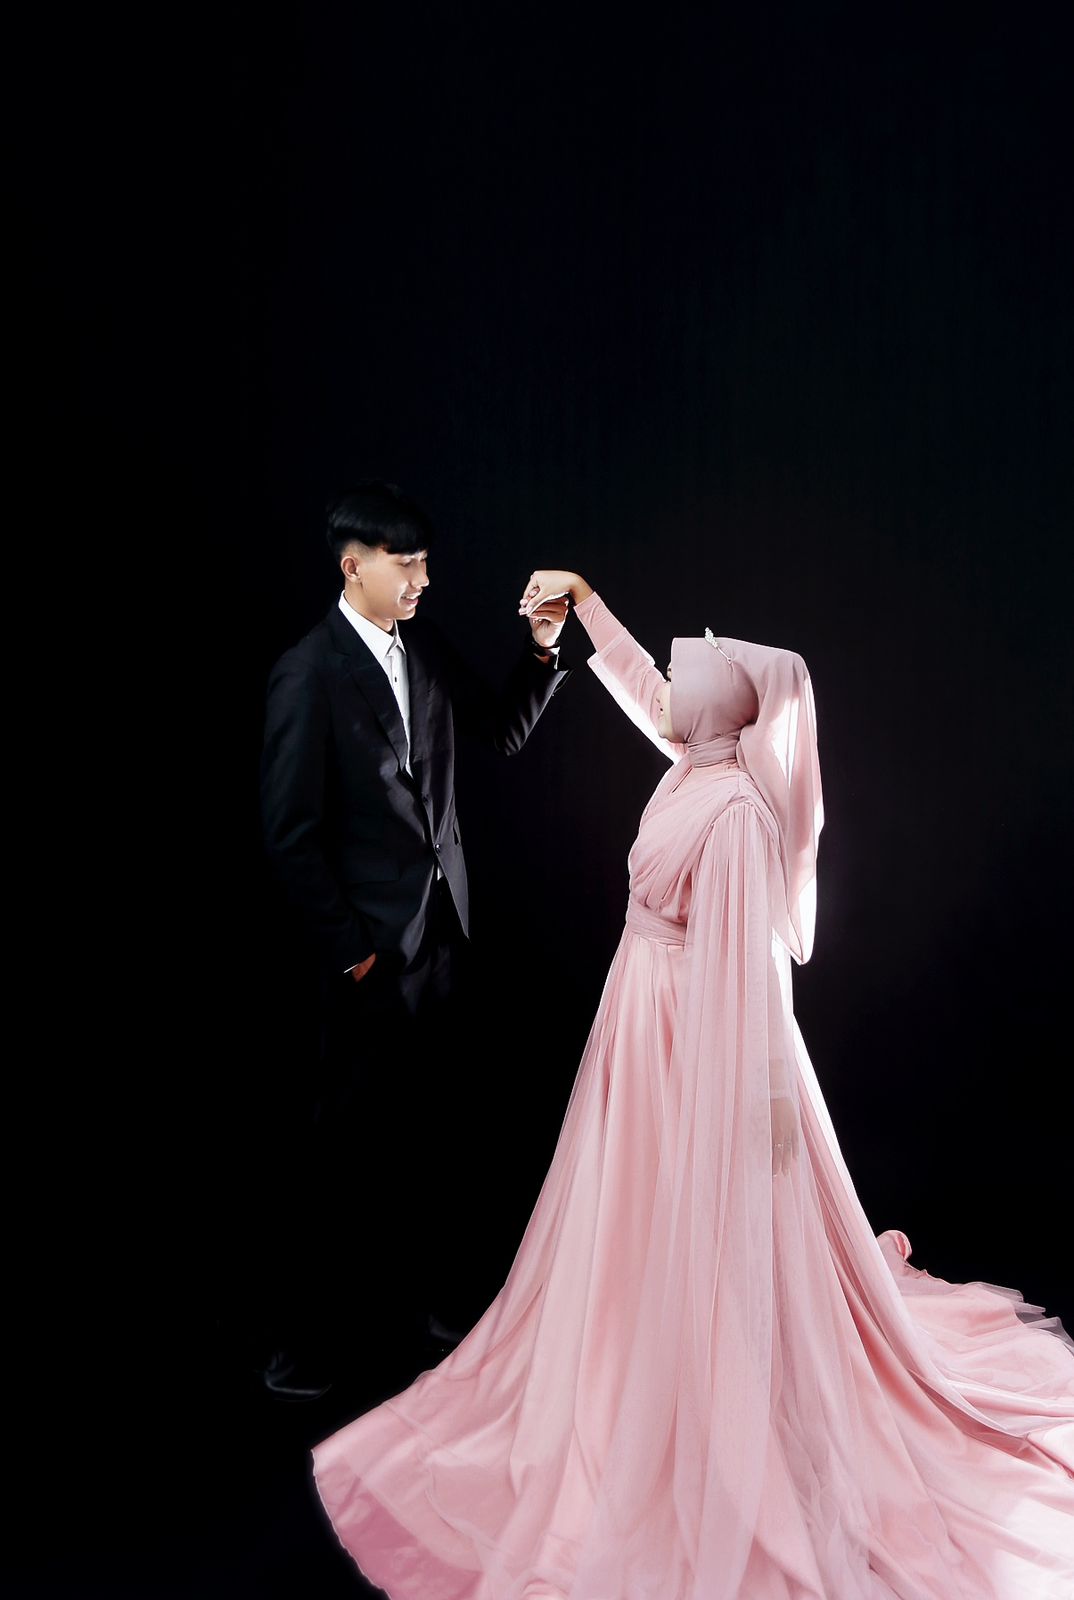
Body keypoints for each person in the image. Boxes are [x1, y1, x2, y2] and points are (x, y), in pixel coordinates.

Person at [311, 571, 1074, 1596]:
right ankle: (633, 1341)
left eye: (689, 685)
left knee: (690, 1210)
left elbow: (749, 987)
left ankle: (697, 1370)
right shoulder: (696, 762)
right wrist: (586, 603)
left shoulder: (736, 814)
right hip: (642, 1019)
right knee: (631, 1209)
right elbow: (647, 692)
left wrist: (754, 1122)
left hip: (687, 1032)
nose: (670, 695)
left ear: (722, 714)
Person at [256, 488, 571, 1398]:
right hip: (363, 954)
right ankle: (301, 1343)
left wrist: (541, 651)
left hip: (442, 937)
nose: (424, 578)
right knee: (340, 1149)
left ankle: (434, 1316)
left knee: (437, 1135)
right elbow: (289, 834)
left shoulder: (421, 647)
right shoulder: (305, 673)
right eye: (407, 562)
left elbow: (502, 731)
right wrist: (352, 952)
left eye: (426, 561)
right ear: (354, 565)